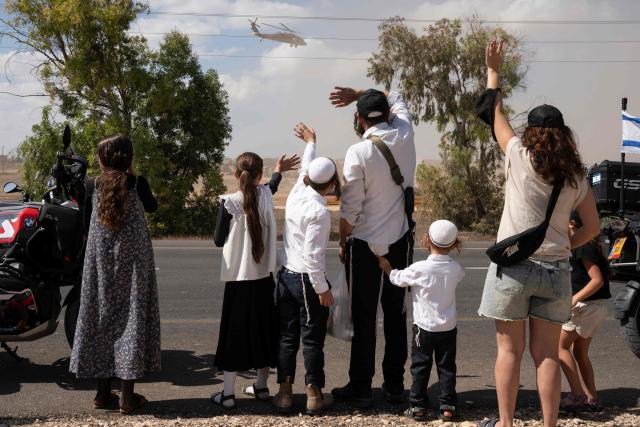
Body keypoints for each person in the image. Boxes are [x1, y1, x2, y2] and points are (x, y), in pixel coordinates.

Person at [476, 41, 600, 427]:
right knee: (546, 354)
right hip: (555, 270)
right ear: (564, 134)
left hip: (513, 268)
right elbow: (593, 228)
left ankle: (507, 423)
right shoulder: (577, 176)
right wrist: (566, 244)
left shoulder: (517, 154)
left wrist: (494, 71)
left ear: (531, 131)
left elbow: (493, 113)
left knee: (508, 352)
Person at [329, 86, 416, 407]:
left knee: (363, 316)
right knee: (396, 313)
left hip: (364, 245)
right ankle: (394, 386)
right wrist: (360, 93)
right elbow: (398, 92)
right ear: (390, 115)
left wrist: (342, 242)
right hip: (400, 241)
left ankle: (361, 387)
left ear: (358, 119)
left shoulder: (358, 153)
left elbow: (349, 211)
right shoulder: (405, 133)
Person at [70, 135, 160, 414]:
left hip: (99, 266)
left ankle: (102, 394)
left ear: (102, 159)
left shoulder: (90, 186)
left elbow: (85, 223)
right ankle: (127, 398)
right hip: (133, 266)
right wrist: (132, 174)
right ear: (128, 158)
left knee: (102, 319)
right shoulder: (137, 183)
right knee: (131, 320)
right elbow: (152, 207)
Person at [211, 151, 299, 409]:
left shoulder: (230, 203)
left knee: (234, 335)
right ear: (259, 176)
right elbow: (269, 187)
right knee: (265, 332)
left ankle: (228, 394)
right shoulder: (265, 197)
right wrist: (279, 171)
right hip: (264, 279)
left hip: (238, 282)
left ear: (237, 175)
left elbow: (218, 240)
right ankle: (261, 387)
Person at [273, 122, 338, 415]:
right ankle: (314, 394)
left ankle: (284, 394)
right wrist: (322, 290)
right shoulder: (320, 212)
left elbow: (306, 168)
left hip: (285, 276)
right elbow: (313, 258)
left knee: (287, 337)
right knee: (312, 340)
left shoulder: (299, 192)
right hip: (307, 281)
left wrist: (311, 142)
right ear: (332, 184)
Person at [378, 220, 465, 422]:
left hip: (423, 328)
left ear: (426, 241)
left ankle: (418, 406)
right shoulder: (456, 269)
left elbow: (397, 279)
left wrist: (387, 266)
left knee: (420, 366)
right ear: (454, 245)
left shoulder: (419, 269)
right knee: (447, 367)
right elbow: (459, 275)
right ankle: (448, 407)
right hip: (448, 328)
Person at [558, 211, 611, 412]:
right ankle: (593, 398)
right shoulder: (587, 245)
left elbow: (597, 280)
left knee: (559, 348)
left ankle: (578, 395)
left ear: (575, 226)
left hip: (586, 306)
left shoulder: (583, 247)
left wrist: (574, 299)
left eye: (566, 226)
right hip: (595, 306)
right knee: (580, 352)